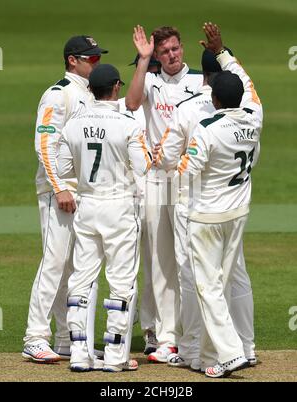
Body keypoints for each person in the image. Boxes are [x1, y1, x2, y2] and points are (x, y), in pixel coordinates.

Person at [154, 23, 259, 370]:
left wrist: (160, 162)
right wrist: (224, 50)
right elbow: (247, 82)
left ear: (209, 87)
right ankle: (246, 345)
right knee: (233, 277)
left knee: (199, 282)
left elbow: (175, 164)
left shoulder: (192, 114)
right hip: (238, 210)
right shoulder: (253, 115)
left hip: (201, 211)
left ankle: (203, 352)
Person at [57, 64, 152, 372]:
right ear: (115, 88)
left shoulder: (73, 124)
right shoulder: (127, 123)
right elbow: (142, 167)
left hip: (87, 207)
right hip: (120, 208)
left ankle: (79, 354)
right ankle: (114, 356)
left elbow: (62, 169)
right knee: (121, 283)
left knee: (81, 280)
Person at [22, 35, 108, 362]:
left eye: (98, 59)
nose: (95, 63)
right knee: (54, 262)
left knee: (75, 268)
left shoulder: (88, 94)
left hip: (81, 193)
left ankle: (66, 339)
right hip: (58, 193)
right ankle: (34, 335)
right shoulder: (58, 95)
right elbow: (44, 144)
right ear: (73, 60)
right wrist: (59, 187)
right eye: (92, 59)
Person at [125, 25, 203, 362]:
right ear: (157, 56)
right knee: (159, 259)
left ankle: (193, 335)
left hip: (187, 178)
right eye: (164, 52)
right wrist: (143, 61)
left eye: (175, 49)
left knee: (189, 257)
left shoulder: (200, 82)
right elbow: (130, 103)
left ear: (181, 48)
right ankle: (165, 336)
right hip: (156, 179)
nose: (172, 55)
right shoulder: (152, 81)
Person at [119, 54, 161, 355]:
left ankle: (152, 331)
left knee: (155, 265)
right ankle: (124, 326)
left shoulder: (169, 106)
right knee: (126, 268)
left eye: (154, 69)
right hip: (127, 196)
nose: (151, 77)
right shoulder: (124, 106)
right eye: (145, 70)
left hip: (161, 193)